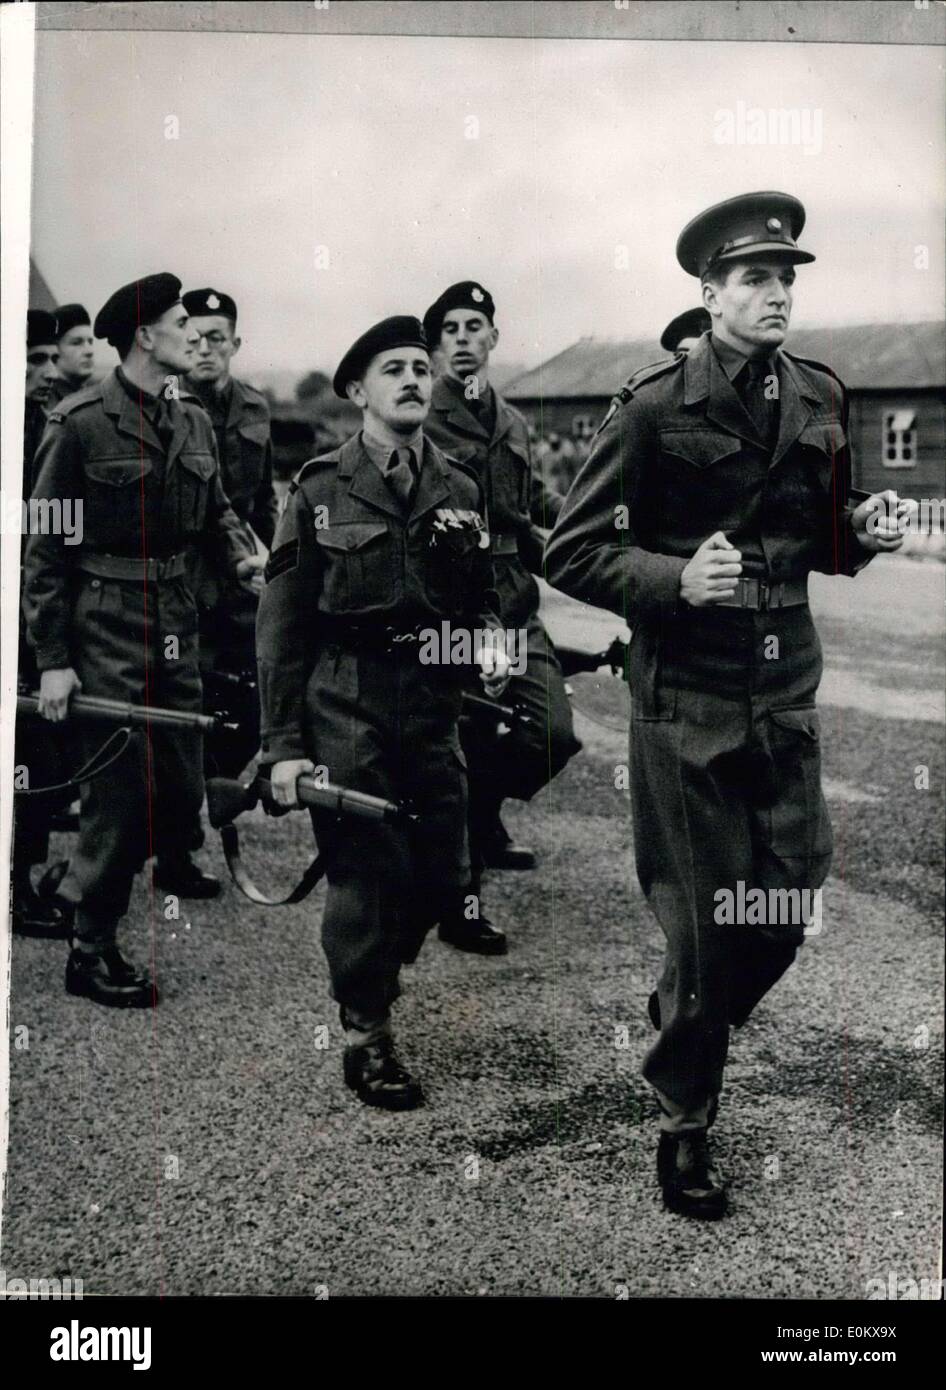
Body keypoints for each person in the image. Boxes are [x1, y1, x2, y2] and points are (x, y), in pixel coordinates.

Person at [545, 192, 906, 1219]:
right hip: (686, 701)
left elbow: (822, 542)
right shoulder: (654, 405)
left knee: (787, 902)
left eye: (787, 277)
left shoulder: (820, 393)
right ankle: (686, 1122)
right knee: (707, 930)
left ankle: (682, 1015)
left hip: (784, 691)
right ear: (708, 293)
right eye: (755, 278)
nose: (778, 293)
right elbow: (569, 550)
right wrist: (669, 580)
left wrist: (865, 528)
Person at [257, 316, 507, 1109]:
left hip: (432, 706)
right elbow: (283, 624)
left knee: (446, 874)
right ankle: (367, 1033)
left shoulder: (461, 487)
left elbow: (482, 591)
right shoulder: (322, 487)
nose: (411, 379)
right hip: (348, 701)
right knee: (365, 873)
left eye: (420, 368)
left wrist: (492, 640)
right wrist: (282, 747)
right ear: (359, 391)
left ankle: (375, 972)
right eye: (391, 370)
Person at [23, 273, 260, 1007]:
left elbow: (216, 511)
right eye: (181, 324)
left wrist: (248, 560)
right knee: (121, 793)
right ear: (144, 337)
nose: (195, 335)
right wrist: (55, 661)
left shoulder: (190, 420)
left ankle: (71, 883)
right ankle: (90, 950)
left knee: (178, 789)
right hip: (105, 624)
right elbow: (44, 551)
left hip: (176, 624)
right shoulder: (81, 422)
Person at [421, 281, 581, 953]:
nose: (463, 338)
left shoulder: (511, 421)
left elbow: (531, 504)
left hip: (514, 604)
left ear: (494, 339)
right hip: (454, 610)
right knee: (462, 748)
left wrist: (582, 526)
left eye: (475, 327)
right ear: (434, 348)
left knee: (551, 733)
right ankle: (460, 902)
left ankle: (483, 817)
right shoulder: (420, 418)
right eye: (450, 329)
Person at [181, 286, 277, 777]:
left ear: (234, 346)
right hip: (185, 571)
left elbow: (263, 502)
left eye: (216, 339)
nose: (203, 350)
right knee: (186, 685)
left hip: (239, 574)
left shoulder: (255, 408)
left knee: (258, 681)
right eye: (193, 338)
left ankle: (215, 780)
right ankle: (179, 821)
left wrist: (285, 560)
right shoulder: (166, 406)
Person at [12, 310, 70, 935]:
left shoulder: (46, 428)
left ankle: (19, 883)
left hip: (32, 614)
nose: (49, 374)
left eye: (52, 360)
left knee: (38, 754)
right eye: (35, 361)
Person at [50, 303, 96, 405]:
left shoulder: (89, 398)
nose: (89, 352)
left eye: (90, 342)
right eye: (76, 343)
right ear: (54, 350)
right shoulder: (47, 404)